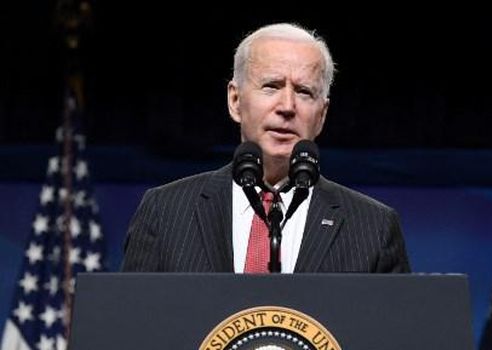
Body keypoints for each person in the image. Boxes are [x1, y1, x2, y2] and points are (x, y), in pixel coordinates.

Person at [121, 23, 410, 273]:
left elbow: (391, 334)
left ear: (321, 115)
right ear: (235, 101)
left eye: (304, 91)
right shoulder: (165, 212)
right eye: (271, 86)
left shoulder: (374, 228)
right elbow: (133, 324)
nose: (287, 106)